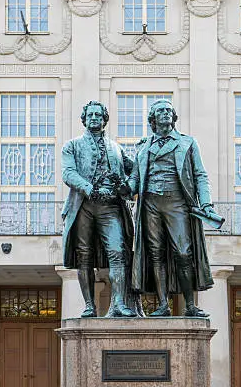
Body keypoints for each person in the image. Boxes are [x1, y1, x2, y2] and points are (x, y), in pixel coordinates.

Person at [128, 99, 215, 317]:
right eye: (160, 111)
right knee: (156, 254)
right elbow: (135, 180)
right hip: (150, 204)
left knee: (183, 253)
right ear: (153, 119)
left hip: (177, 202)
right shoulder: (143, 147)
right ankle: (162, 305)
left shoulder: (187, 143)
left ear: (174, 117)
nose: (166, 113)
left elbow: (200, 176)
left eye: (169, 110)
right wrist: (122, 187)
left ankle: (190, 305)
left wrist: (205, 203)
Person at [61, 100, 137, 317]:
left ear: (104, 119)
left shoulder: (116, 148)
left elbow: (135, 172)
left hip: (110, 207)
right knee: (84, 256)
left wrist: (125, 186)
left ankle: (120, 304)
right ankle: (89, 305)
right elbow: (68, 173)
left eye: (98, 115)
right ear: (84, 119)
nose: (94, 118)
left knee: (118, 252)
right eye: (90, 115)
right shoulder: (72, 145)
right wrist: (89, 188)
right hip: (84, 205)